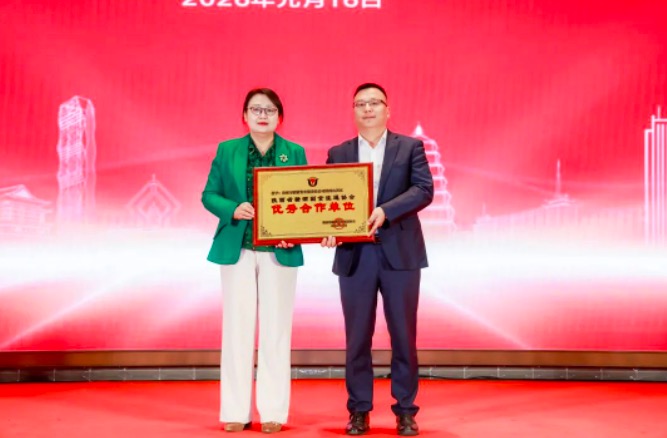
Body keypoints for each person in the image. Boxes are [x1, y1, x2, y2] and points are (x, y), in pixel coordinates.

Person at [322, 83, 434, 436]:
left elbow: (423, 190)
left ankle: (405, 410)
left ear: (388, 110)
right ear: (353, 111)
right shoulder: (339, 153)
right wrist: (327, 229)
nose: (368, 109)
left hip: (400, 253)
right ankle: (359, 410)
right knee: (357, 338)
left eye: (374, 103)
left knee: (403, 336)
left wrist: (386, 211)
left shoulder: (410, 147)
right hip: (354, 255)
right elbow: (328, 201)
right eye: (360, 104)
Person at [202, 88, 307, 434]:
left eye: (270, 110)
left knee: (277, 330)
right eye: (256, 109)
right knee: (237, 329)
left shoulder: (294, 152)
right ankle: (236, 411)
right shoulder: (227, 150)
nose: (263, 115)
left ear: (280, 117)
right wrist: (232, 208)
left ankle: (274, 411)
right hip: (238, 249)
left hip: (279, 250)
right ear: (244, 116)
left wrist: (295, 231)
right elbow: (209, 195)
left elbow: (305, 199)